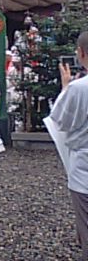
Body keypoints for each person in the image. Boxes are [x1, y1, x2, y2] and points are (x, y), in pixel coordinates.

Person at [49, 32, 88, 259]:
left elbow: (60, 120)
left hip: (84, 167)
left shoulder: (78, 88)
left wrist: (65, 87)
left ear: (81, 53)